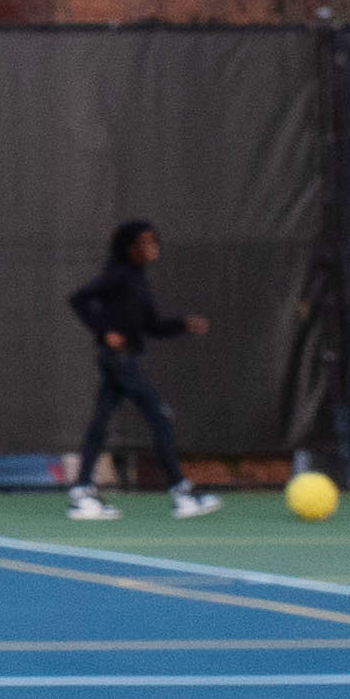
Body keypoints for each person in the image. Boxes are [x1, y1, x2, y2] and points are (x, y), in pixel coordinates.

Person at [65, 217, 217, 521]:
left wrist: (183, 325)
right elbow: (78, 299)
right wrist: (103, 332)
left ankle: (82, 492)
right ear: (130, 247)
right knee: (160, 417)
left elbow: (152, 327)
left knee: (100, 423)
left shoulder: (138, 280)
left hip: (125, 360)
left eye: (154, 240)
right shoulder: (118, 275)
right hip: (117, 360)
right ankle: (181, 492)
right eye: (145, 242)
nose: (153, 246)